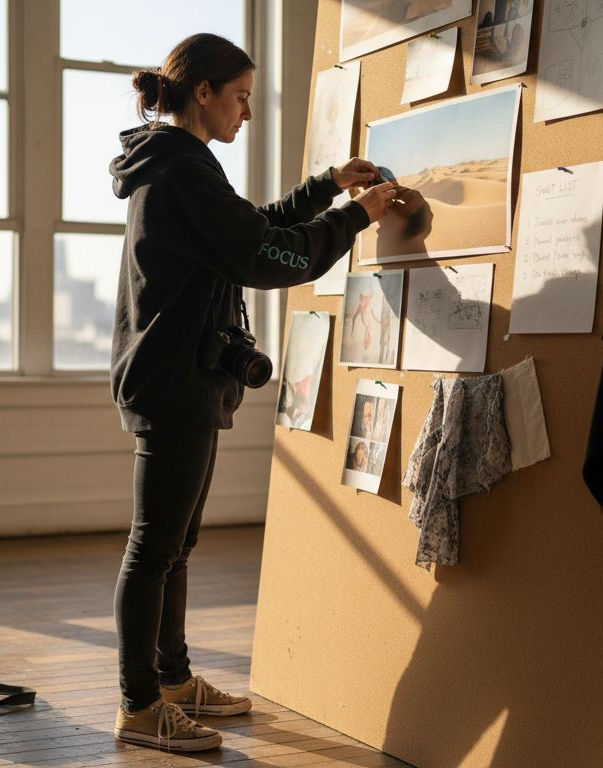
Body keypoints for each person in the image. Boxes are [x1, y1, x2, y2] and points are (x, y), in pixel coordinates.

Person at [108, 33, 398, 753]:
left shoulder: (182, 166)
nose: (245, 112)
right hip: (173, 380)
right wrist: (358, 216)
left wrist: (328, 185)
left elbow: (249, 229)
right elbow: (269, 256)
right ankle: (140, 706)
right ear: (202, 92)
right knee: (154, 548)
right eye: (239, 97)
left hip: (184, 377)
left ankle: (172, 682)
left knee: (175, 546)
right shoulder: (180, 172)